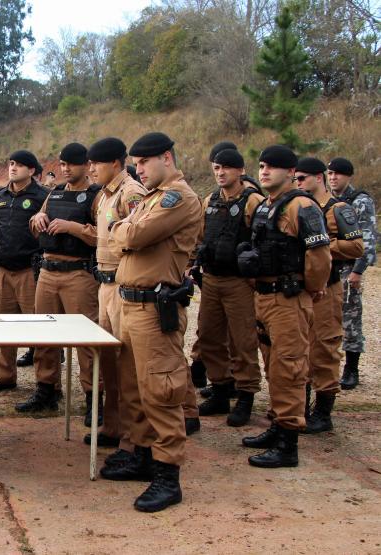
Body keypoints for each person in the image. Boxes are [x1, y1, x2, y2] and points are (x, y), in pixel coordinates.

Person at [103, 132, 203, 513]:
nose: (138, 169)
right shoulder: (151, 198)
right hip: (131, 305)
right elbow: (123, 237)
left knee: (161, 390)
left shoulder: (179, 198)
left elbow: (135, 233)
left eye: (144, 162)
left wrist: (121, 231)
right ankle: (143, 454)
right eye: (136, 162)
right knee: (133, 388)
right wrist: (123, 233)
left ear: (167, 157)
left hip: (154, 308)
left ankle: (168, 474)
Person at [237, 145, 331, 469]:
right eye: (262, 166)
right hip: (264, 297)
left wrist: (313, 288)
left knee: (290, 368)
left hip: (288, 298)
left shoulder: (303, 207)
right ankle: (277, 425)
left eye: (272, 167)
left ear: (291, 173)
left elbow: (319, 257)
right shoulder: (266, 206)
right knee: (273, 367)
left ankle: (288, 443)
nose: (264, 172)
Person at [23, 143, 100, 421]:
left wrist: (73, 228)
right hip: (47, 271)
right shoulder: (54, 194)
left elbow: (105, 235)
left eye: (72, 164)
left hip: (78, 273)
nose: (66, 169)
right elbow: (34, 226)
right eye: (62, 164)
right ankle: (47, 390)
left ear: (85, 165)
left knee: (86, 340)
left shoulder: (95, 196)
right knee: (44, 335)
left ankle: (94, 398)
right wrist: (38, 217)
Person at [191, 148, 264, 427]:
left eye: (226, 168)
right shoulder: (210, 200)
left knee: (243, 341)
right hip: (211, 279)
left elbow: (262, 241)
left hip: (239, 282)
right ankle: (221, 389)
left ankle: (245, 396)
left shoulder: (253, 201)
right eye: (216, 168)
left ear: (240, 170)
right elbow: (200, 236)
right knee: (208, 337)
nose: (220, 173)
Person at [87, 137, 148, 461]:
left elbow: (139, 239)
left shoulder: (132, 193)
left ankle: (132, 441)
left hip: (123, 286)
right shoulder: (105, 195)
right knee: (108, 363)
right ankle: (113, 428)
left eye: (96, 163)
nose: (91, 169)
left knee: (128, 368)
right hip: (105, 285)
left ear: (114, 164)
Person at [295, 157, 362, 433]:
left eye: (302, 178)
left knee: (324, 347)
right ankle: (301, 406)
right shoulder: (298, 207)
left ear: (318, 178)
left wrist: (322, 244)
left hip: (328, 286)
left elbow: (357, 245)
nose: (297, 183)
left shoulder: (338, 209)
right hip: (302, 287)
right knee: (301, 349)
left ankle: (323, 412)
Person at [0, 150, 48, 395]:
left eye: (19, 165)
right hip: (4, 270)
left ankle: (45, 384)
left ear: (31, 170)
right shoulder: (0, 195)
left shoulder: (43, 196)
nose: (13, 168)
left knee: (38, 330)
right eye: (10, 164)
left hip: (30, 270)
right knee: (4, 326)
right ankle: (5, 376)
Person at [327, 157, 376, 389]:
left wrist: (358, 271)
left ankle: (351, 369)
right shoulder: (328, 201)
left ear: (348, 176)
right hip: (331, 267)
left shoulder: (360, 201)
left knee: (350, 319)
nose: (333, 177)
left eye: (338, 174)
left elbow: (367, 238)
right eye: (330, 173)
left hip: (349, 268)